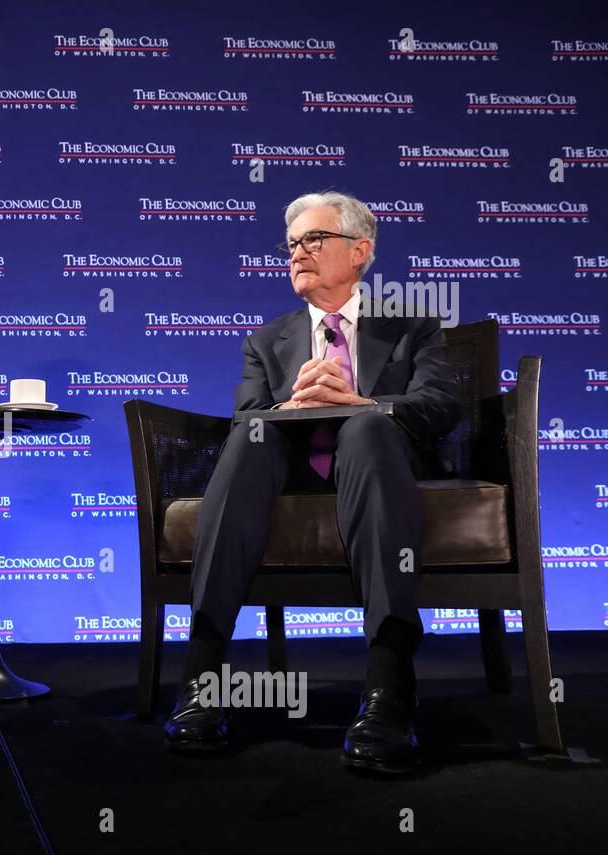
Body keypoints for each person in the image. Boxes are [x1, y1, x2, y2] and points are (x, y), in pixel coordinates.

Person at [165, 191, 462, 773]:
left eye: (314, 239)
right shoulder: (266, 340)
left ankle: (389, 688)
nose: (297, 252)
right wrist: (290, 407)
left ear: (360, 251)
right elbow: (247, 412)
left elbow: (440, 405)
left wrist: (362, 403)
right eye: (292, 243)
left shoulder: (412, 325)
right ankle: (202, 677)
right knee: (252, 436)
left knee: (368, 429)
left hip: (381, 467)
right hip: (292, 472)